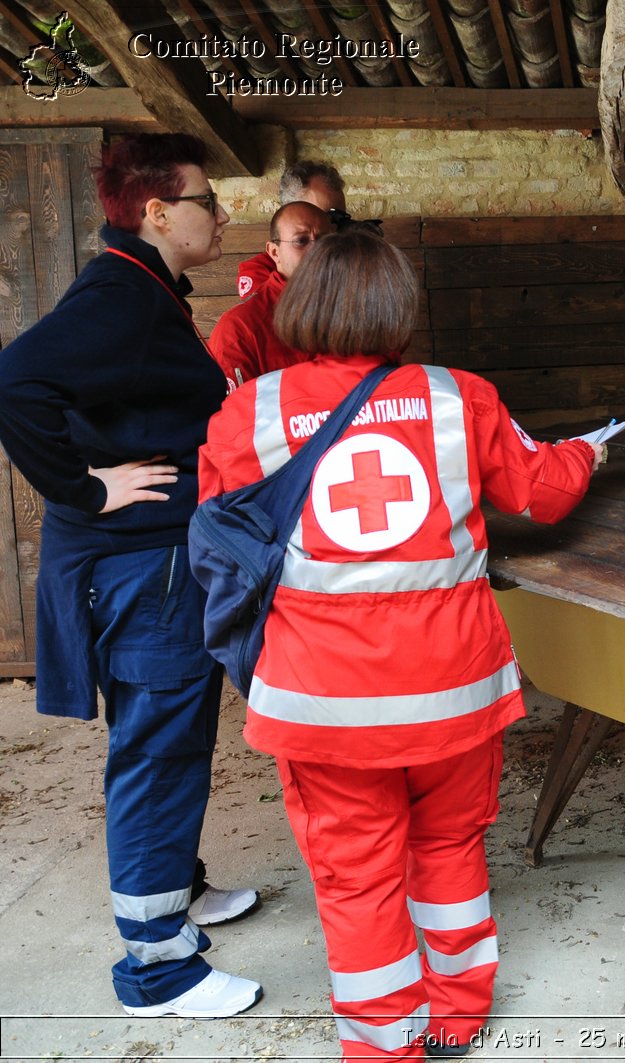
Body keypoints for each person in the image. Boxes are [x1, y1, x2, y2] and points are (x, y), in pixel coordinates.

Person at [198, 228, 601, 1060]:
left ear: (303, 305)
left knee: (356, 878)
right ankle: (457, 1012)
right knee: (450, 845)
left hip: (324, 702)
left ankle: (387, 1043)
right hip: (453, 692)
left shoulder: (252, 411)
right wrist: (586, 451)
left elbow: (221, 532)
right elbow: (547, 490)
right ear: (399, 310)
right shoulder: (460, 397)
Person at [0, 133, 263, 1018]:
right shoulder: (121, 294)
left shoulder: (143, 288)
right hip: (139, 571)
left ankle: (177, 893)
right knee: (157, 750)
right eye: (206, 200)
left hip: (154, 563)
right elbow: (15, 380)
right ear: (156, 213)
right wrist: (81, 488)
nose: (220, 216)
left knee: (173, 737)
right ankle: (157, 968)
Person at [210, 201, 334, 389]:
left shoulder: (355, 305)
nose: (317, 251)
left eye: (325, 240)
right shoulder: (240, 329)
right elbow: (235, 414)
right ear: (275, 253)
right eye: (301, 241)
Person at [237, 160, 376, 298]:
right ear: (289, 212)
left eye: (340, 218)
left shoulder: (349, 258)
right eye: (324, 216)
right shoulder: (258, 272)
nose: (332, 228)